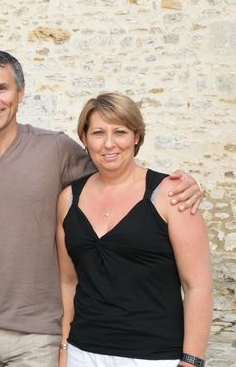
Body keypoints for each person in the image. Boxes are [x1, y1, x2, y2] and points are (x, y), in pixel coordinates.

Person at [0, 50, 203, 367]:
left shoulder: (55, 148)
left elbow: (114, 169)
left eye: (1, 88)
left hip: (38, 331)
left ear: (20, 93)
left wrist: (180, 184)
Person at [56, 92, 212, 367]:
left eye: (120, 132)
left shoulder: (171, 195)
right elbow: (68, 282)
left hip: (154, 356)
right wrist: (64, 348)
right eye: (98, 133)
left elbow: (197, 286)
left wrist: (191, 361)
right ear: (84, 138)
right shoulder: (68, 199)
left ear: (137, 137)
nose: (109, 143)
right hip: (83, 352)